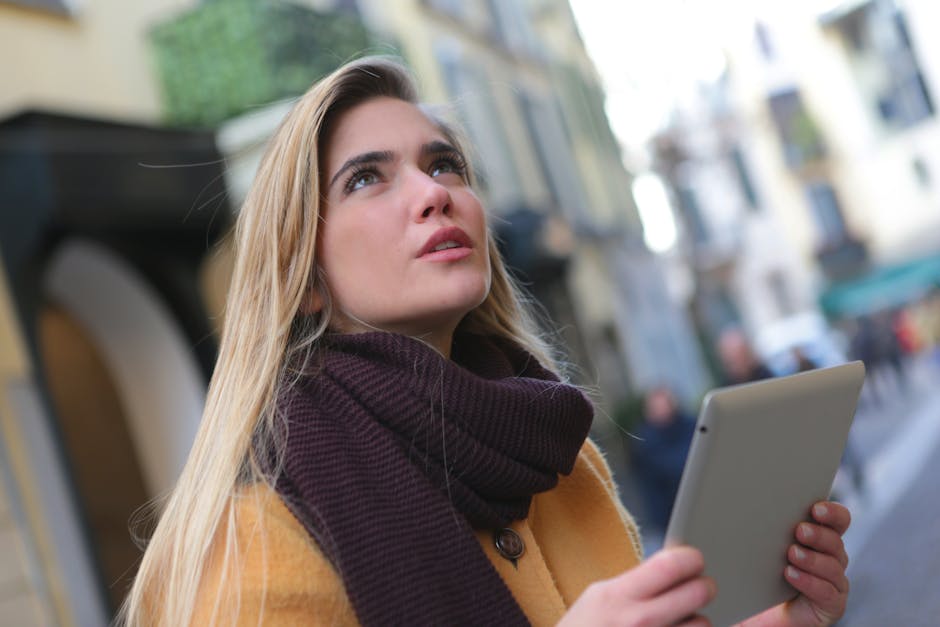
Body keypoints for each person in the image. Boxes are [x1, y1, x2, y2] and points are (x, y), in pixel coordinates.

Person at [122, 57, 852, 626]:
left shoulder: (562, 459)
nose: (432, 191)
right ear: (304, 278)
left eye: (444, 164)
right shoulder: (252, 534)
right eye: (367, 179)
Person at [632, 386, 696, 533]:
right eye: (657, 407)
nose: (663, 411)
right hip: (669, 512)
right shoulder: (646, 440)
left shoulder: (690, 425)